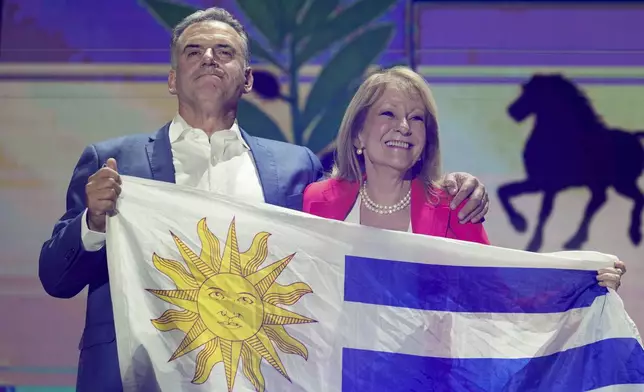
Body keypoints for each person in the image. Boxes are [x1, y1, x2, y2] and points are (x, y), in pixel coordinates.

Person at [38, 8, 491, 392]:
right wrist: (92, 223)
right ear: (173, 79)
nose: (209, 58)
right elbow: (56, 277)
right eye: (193, 52)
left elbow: (359, 222)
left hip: (260, 377)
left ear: (248, 78)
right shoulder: (114, 161)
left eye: (225, 52)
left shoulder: (296, 169)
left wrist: (453, 187)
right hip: (139, 378)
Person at [302, 66, 626, 284]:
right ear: (357, 134)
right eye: (388, 113)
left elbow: (495, 291)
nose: (404, 127)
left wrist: (583, 279)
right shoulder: (315, 202)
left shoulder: (454, 205)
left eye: (416, 119)